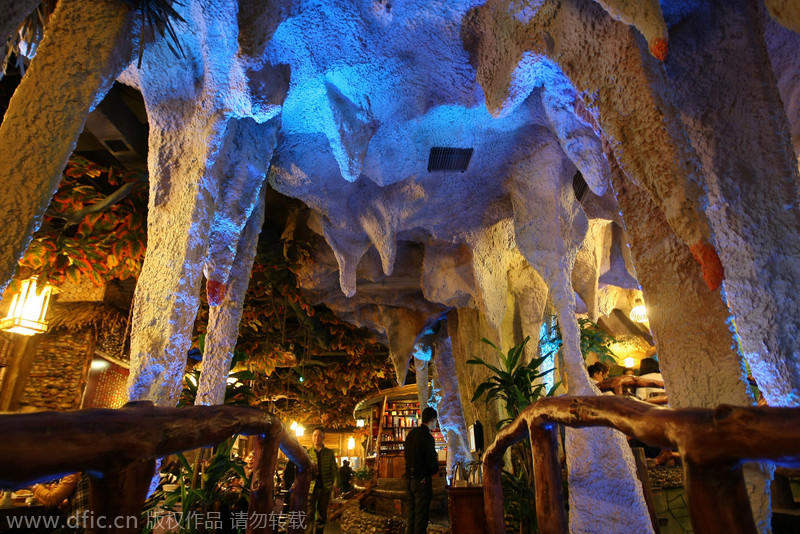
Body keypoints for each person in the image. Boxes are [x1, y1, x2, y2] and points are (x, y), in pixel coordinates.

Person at [404, 406, 439, 534]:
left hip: (409, 479)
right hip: (422, 481)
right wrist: (435, 468)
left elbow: (406, 456)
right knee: (421, 518)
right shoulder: (427, 437)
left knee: (412, 515)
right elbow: (430, 462)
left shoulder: (411, 434)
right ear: (433, 419)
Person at [307, 427, 338, 534]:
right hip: (310, 487)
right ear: (312, 437)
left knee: (321, 514)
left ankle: (319, 532)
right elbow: (303, 470)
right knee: (309, 514)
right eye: (315, 435)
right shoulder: (307, 453)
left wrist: (335, 484)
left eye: (320, 435)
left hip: (325, 487)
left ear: (323, 437)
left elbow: (334, 469)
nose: (317, 438)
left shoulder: (329, 453)